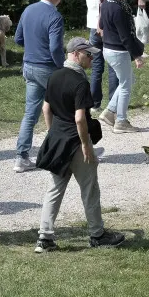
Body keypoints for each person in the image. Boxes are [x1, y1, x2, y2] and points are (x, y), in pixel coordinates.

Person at [33, 37, 126, 253]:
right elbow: (79, 118)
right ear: (76, 53)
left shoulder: (54, 76)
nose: (92, 58)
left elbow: (46, 109)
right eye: (88, 54)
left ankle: (44, 238)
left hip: (59, 143)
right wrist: (85, 144)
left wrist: (52, 133)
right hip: (76, 144)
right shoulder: (80, 82)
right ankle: (97, 234)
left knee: (55, 189)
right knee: (90, 188)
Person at [13, 0, 66, 173]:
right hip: (48, 67)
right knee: (65, 110)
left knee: (30, 113)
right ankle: (67, 152)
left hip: (29, 66)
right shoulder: (54, 16)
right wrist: (62, 66)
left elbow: (18, 38)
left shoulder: (29, 10)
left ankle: (21, 157)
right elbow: (55, 47)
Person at [80, 0, 134, 114]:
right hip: (109, 27)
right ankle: (113, 102)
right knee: (113, 66)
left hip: (93, 26)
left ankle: (95, 103)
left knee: (96, 66)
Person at [97, 0, 145, 133]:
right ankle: (121, 121)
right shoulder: (118, 8)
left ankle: (109, 112)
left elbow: (102, 25)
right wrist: (137, 56)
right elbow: (125, 37)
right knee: (125, 85)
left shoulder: (105, 4)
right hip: (118, 51)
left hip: (108, 49)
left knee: (128, 80)